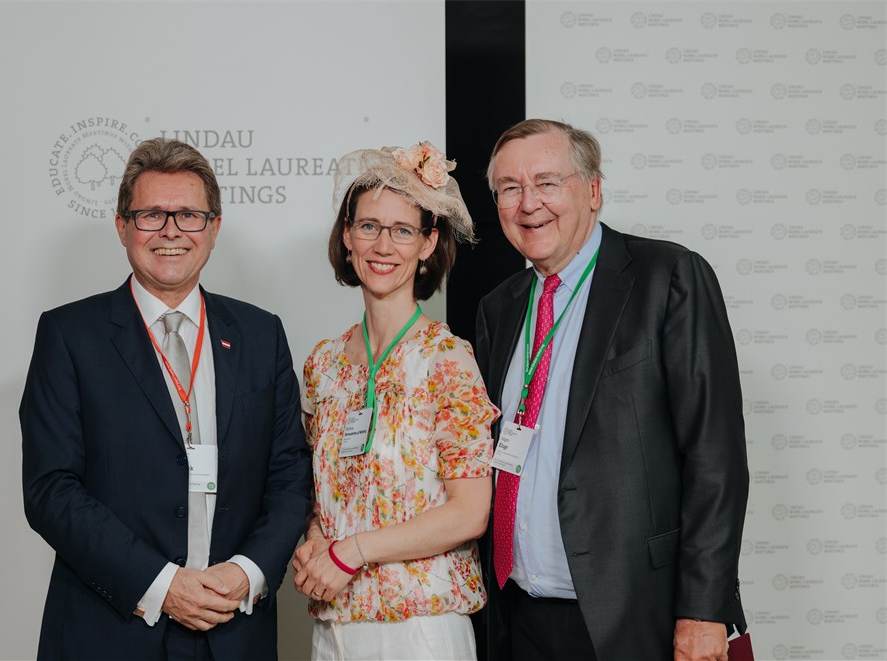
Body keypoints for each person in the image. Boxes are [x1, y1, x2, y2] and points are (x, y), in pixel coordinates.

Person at [20, 138, 313, 660]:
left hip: (233, 631)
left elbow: (290, 473)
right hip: (111, 631)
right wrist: (161, 585)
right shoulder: (69, 335)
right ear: (122, 226)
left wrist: (246, 574)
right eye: (152, 214)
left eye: (189, 215)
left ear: (215, 228)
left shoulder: (260, 334)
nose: (171, 231)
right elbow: (51, 489)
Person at [473, 119, 749, 661]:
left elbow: (715, 456)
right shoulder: (498, 307)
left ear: (593, 190)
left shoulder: (667, 277)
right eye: (510, 188)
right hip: (517, 614)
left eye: (548, 182)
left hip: (633, 614)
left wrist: (703, 610)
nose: (529, 204)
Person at [292, 142, 500, 660]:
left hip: (421, 629)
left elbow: (470, 513)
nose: (383, 245)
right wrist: (316, 543)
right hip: (335, 626)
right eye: (368, 226)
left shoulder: (447, 360)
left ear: (428, 244)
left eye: (402, 230)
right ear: (346, 234)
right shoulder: (323, 364)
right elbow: (325, 496)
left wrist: (351, 552)